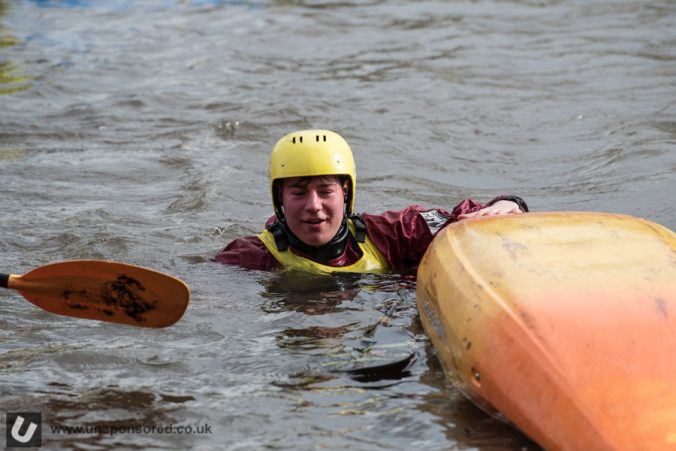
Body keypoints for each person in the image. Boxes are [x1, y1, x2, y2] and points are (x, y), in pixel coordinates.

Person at [215, 129, 528, 274]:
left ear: (346, 194)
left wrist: (506, 204)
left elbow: (465, 220)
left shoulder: (391, 235)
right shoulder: (251, 257)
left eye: (326, 191)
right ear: (279, 199)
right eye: (298, 193)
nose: (313, 205)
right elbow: (204, 292)